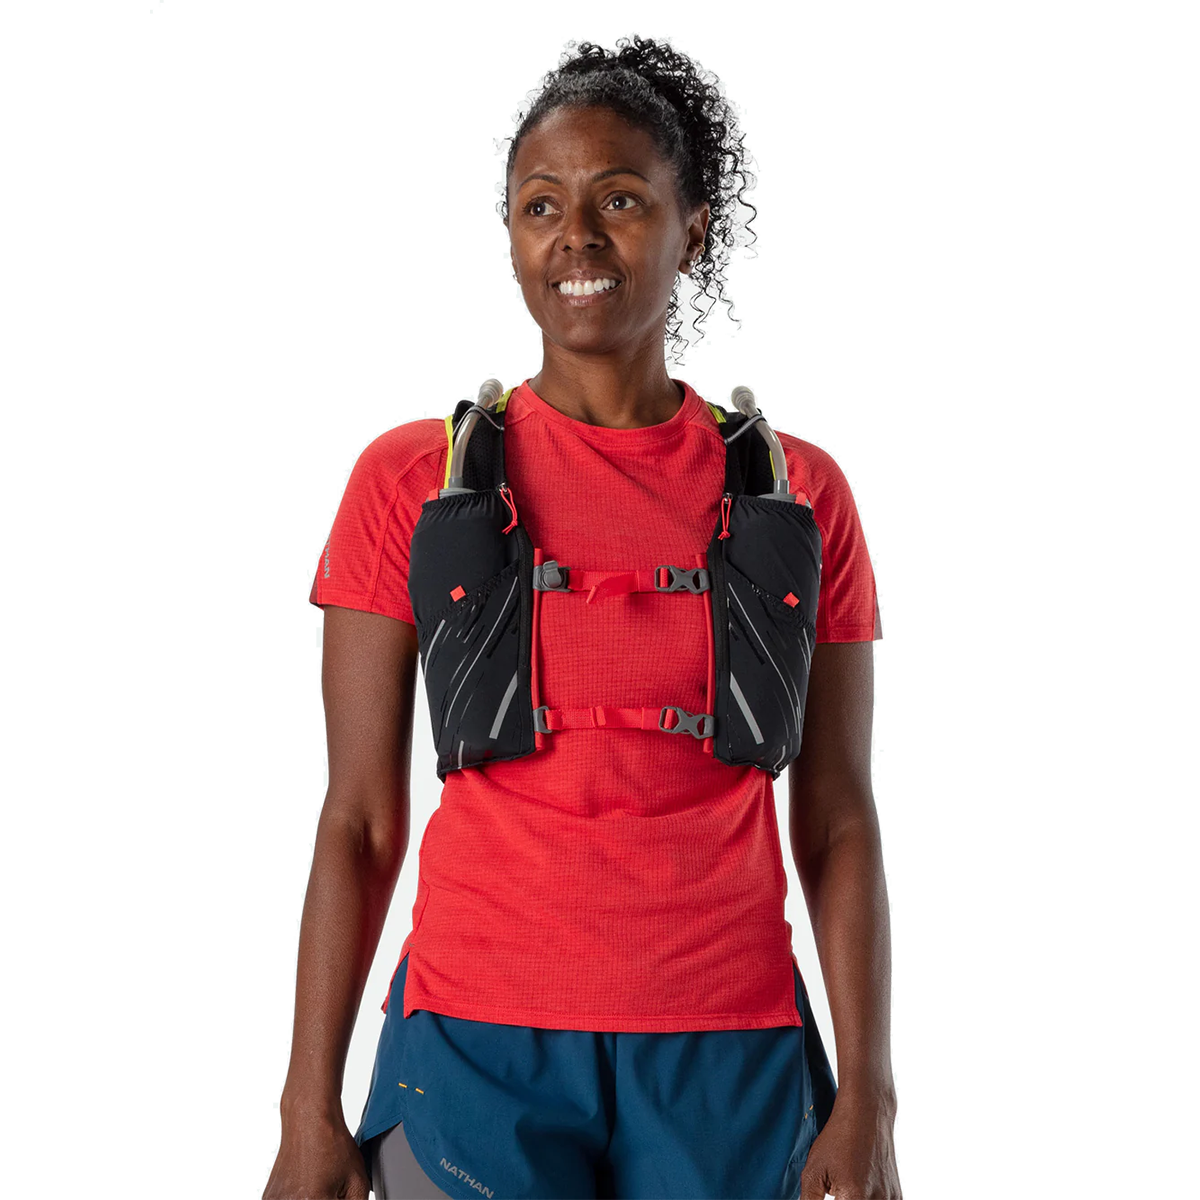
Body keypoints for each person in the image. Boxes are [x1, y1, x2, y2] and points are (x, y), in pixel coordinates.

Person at [262, 35, 901, 1200]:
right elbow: (357, 819)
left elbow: (840, 821)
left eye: (620, 199)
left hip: (730, 1051)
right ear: (511, 234)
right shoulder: (413, 483)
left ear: (692, 228)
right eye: (541, 205)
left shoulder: (799, 495)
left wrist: (871, 1099)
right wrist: (307, 1111)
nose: (577, 237)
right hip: (471, 1046)